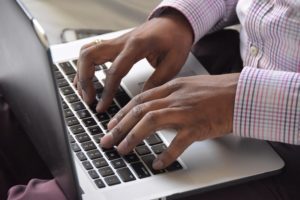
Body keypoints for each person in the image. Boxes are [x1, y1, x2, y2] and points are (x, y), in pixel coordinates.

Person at [2, 0, 299, 199]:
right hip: (230, 68)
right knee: (13, 118)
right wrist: (180, 18)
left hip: (286, 146)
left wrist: (242, 101)